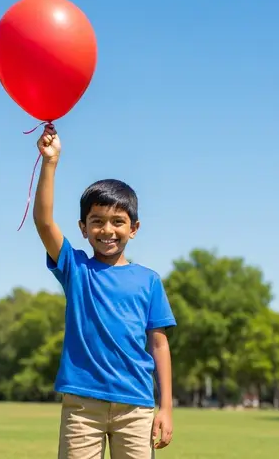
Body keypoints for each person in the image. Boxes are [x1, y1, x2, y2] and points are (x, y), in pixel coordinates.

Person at [32, 125, 177, 459]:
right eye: (96, 221)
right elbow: (43, 221)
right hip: (83, 407)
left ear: (134, 229)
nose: (107, 230)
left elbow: (159, 344)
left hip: (136, 407)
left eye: (117, 221)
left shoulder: (149, 280)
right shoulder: (76, 268)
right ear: (83, 228)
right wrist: (50, 162)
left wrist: (165, 408)